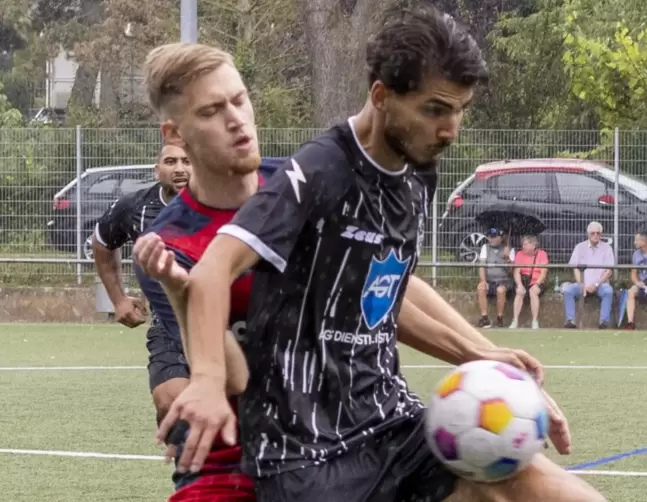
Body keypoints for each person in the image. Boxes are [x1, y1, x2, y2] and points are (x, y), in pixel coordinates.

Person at [154, 6, 604, 502]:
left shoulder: (417, 175)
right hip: (300, 452)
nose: (451, 129)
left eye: (460, 109)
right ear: (381, 96)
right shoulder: (311, 176)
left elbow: (385, 289)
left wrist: (483, 355)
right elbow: (213, 275)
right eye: (435, 109)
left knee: (545, 486)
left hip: (389, 423)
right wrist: (207, 380)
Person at [131, 42, 286, 501]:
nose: (236, 119)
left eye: (239, 100)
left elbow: (386, 290)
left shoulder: (300, 189)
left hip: (330, 434)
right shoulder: (168, 246)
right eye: (213, 111)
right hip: (234, 452)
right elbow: (234, 379)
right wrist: (181, 289)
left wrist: (474, 349)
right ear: (174, 134)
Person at [92, 144, 191, 329]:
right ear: (157, 171)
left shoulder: (223, 204)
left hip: (224, 323)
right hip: (167, 329)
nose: (179, 169)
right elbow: (102, 243)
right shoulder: (136, 207)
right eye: (170, 162)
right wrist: (119, 299)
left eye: (187, 161)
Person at [562, 221, 615, 329]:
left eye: (598, 233)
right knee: (568, 291)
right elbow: (575, 268)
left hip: (600, 284)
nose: (596, 235)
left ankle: (604, 321)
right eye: (593, 233)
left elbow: (609, 271)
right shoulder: (579, 247)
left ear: (601, 234)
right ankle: (570, 320)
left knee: (608, 291)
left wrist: (596, 284)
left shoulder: (607, 248)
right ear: (588, 234)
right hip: (582, 283)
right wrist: (582, 284)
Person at [477, 228, 515, 328]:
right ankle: (485, 318)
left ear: (501, 238)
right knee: (481, 287)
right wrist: (483, 281)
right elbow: (482, 266)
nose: (491, 239)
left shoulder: (510, 250)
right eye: (489, 237)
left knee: (500, 290)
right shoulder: (485, 247)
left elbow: (511, 273)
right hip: (490, 280)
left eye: (494, 237)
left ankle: (499, 319)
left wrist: (507, 258)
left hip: (504, 280)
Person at [510, 234, 548, 329]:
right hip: (524, 281)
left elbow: (543, 273)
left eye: (526, 244)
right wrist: (519, 284)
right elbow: (516, 271)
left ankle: (534, 321)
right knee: (519, 292)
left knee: (533, 292)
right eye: (523, 244)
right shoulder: (519, 254)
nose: (524, 247)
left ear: (533, 245)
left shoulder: (542, 254)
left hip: (538, 281)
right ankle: (515, 320)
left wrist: (537, 284)